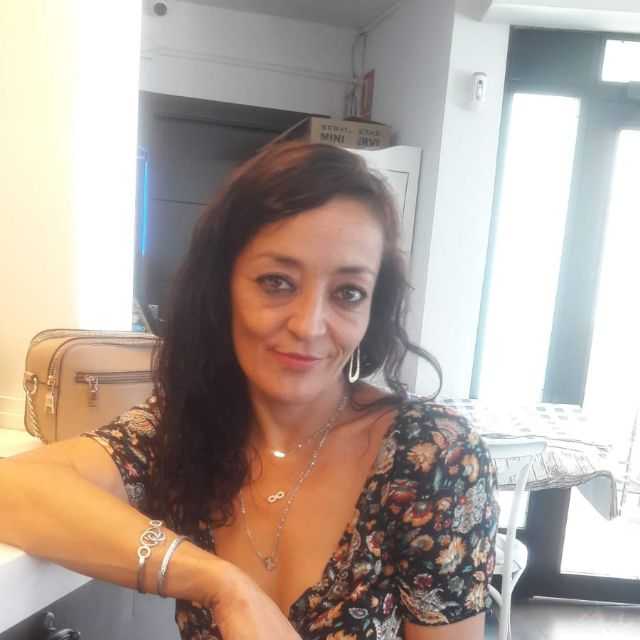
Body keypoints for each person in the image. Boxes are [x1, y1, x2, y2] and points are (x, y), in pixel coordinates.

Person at [0, 142, 498, 639]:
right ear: (222, 288)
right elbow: (11, 488)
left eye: (348, 293)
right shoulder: (184, 433)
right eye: (277, 282)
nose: (309, 325)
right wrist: (221, 584)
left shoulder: (432, 460)